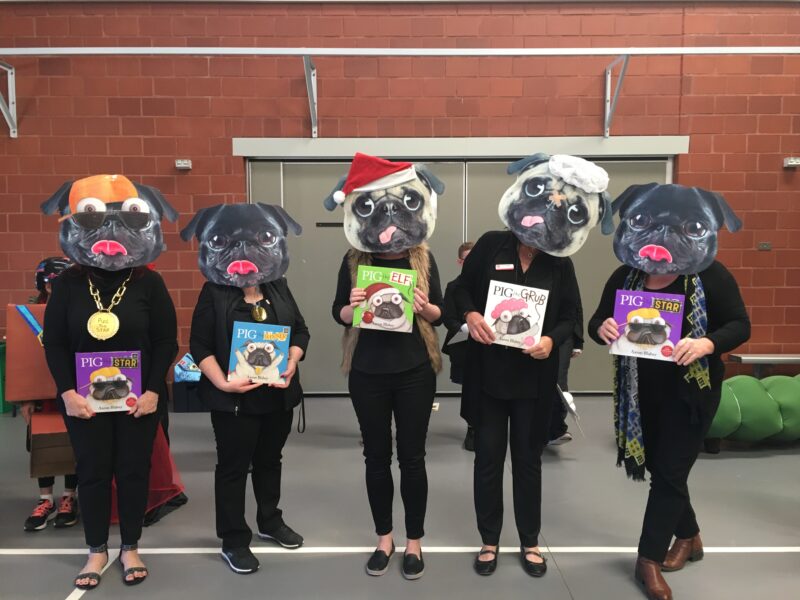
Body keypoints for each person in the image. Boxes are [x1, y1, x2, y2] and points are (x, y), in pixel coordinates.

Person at [449, 153, 612, 578]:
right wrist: (470, 316)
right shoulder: (488, 245)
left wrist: (550, 341)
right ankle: (488, 539)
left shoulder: (560, 261)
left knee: (528, 462)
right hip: (487, 375)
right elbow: (458, 291)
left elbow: (571, 317)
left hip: (533, 380)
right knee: (486, 461)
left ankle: (529, 540)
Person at [588, 183, 750, 600]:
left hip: (691, 394)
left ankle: (648, 561)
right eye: (644, 222)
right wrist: (602, 328)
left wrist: (706, 343)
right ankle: (690, 536)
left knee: (670, 473)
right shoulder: (627, 274)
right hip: (641, 394)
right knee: (666, 471)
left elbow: (739, 325)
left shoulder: (710, 275)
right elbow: (597, 322)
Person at [41, 174, 179, 590]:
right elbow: (56, 344)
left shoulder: (149, 283)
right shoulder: (68, 283)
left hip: (139, 399)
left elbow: (166, 340)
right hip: (84, 401)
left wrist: (154, 390)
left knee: (133, 471)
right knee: (93, 472)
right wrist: (67, 393)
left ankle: (131, 546)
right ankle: (97, 549)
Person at [325, 153, 446, 580]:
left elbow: (441, 314)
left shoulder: (423, 259)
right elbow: (336, 312)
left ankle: (414, 542)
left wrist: (425, 307)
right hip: (368, 371)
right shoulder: (355, 259)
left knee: (412, 458)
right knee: (376, 457)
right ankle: (384, 538)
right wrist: (350, 307)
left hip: (414, 369)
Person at [182, 202, 308, 575]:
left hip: (278, 394)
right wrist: (222, 382)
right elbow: (199, 346)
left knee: (271, 461)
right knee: (234, 468)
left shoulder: (278, 286)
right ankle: (234, 539)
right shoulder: (214, 292)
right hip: (234, 400)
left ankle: (270, 520)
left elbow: (300, 330)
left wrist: (294, 358)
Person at [21, 257, 79, 532]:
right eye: (51, 284)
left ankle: (69, 497)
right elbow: (24, 361)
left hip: (71, 389)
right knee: (42, 444)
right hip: (41, 393)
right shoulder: (30, 314)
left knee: (70, 442)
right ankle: (46, 499)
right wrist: (25, 398)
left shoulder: (79, 310)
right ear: (42, 284)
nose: (56, 289)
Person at [441, 241, 475, 451]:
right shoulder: (453, 287)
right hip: (463, 343)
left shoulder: (492, 285)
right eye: (467, 259)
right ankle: (472, 428)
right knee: (470, 388)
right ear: (459, 261)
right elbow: (448, 317)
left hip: (491, 344)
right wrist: (466, 328)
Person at [547, 292, 583, 446]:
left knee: (558, 380)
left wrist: (578, 341)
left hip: (562, 328)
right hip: (527, 326)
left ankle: (556, 430)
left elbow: (574, 299)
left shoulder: (562, 266)